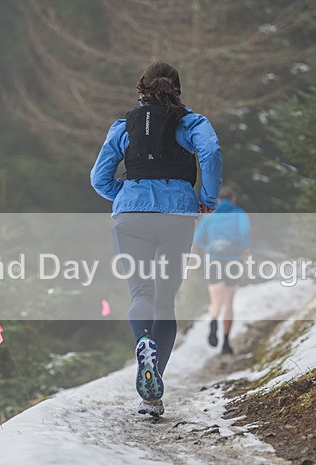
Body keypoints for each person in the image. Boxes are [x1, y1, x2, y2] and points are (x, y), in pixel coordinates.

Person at [90, 61, 222, 417]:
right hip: (177, 216)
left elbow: (99, 179)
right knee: (165, 302)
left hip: (131, 216)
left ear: (141, 89)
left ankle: (141, 346)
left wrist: (126, 193)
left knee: (140, 294)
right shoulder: (193, 123)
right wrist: (206, 199)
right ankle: (152, 393)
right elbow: (209, 152)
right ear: (178, 89)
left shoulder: (123, 127)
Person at [192, 186, 251, 355]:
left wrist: (208, 248)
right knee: (229, 302)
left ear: (218, 200)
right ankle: (225, 342)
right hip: (234, 259)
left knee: (216, 300)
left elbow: (197, 239)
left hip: (213, 260)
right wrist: (245, 248)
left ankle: (213, 321)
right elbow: (245, 231)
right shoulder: (239, 213)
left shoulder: (210, 216)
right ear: (233, 199)